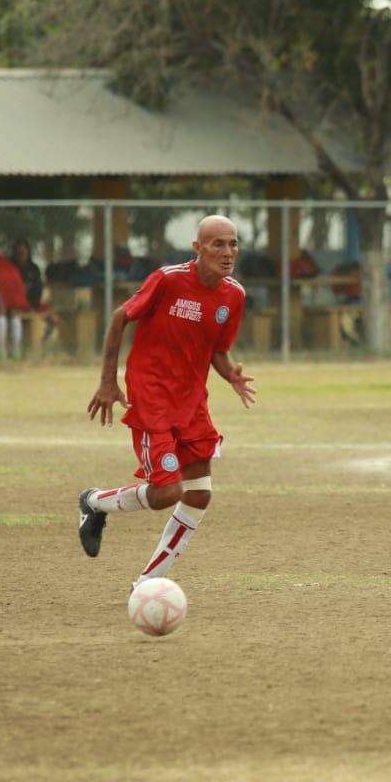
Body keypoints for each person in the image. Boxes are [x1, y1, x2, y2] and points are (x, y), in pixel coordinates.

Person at [78, 215, 257, 593]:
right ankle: (94, 503)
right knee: (166, 494)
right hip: (153, 398)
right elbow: (119, 317)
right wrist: (108, 380)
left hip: (192, 402)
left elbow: (218, 351)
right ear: (197, 249)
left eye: (233, 244)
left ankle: (146, 582)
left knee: (199, 493)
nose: (228, 253)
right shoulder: (169, 280)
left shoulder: (233, 296)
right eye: (218, 245)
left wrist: (231, 375)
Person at [11, 239, 44, 309]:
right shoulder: (9, 267)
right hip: (13, 304)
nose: (20, 254)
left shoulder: (34, 268)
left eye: (23, 252)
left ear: (27, 252)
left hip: (31, 303)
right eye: (18, 253)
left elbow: (38, 288)